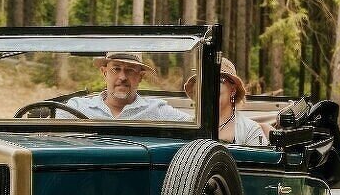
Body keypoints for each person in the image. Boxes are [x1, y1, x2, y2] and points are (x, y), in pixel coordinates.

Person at [60, 52, 191, 121]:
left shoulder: (157, 110)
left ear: (140, 77)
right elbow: (43, 136)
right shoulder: (76, 108)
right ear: (104, 73)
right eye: (116, 69)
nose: (122, 77)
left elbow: (200, 131)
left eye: (130, 70)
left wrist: (198, 97)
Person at [183, 58, 267, 146]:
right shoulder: (187, 125)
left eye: (218, 80)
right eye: (203, 80)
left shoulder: (250, 130)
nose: (209, 86)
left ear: (233, 90)